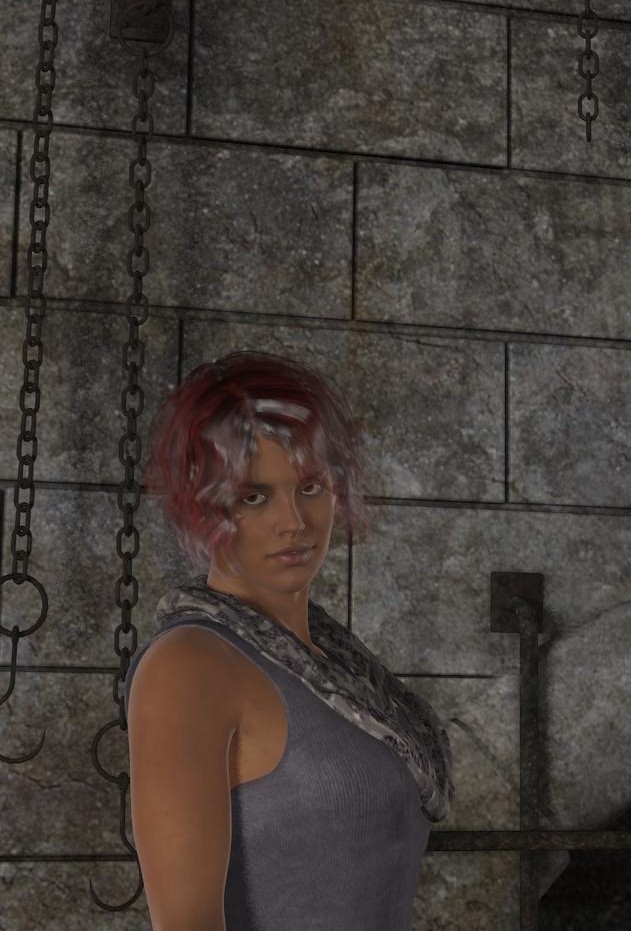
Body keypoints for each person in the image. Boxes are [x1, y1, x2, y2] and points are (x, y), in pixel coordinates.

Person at [123, 350, 453, 930]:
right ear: (202, 507)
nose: (294, 522)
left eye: (310, 487)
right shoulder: (190, 666)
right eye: (253, 496)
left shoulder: (336, 662)